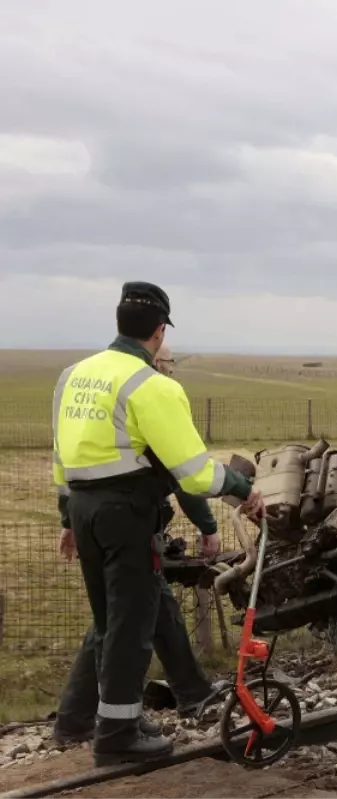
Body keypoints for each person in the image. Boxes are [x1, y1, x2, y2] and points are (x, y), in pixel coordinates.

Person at [51, 281, 264, 766]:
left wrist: (68, 518)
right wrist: (244, 490)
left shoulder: (73, 376)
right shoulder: (152, 385)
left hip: (83, 510)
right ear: (159, 330)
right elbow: (192, 471)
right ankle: (118, 737)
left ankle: (116, 717)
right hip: (126, 513)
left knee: (109, 622)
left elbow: (62, 458)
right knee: (131, 625)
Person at [51, 347, 230, 746]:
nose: (170, 370)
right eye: (168, 363)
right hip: (128, 522)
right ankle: (80, 721)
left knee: (156, 603)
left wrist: (69, 520)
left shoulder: (92, 386)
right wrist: (208, 527)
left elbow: (65, 461)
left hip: (95, 513)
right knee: (117, 622)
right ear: (154, 358)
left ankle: (191, 691)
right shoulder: (149, 394)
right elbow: (185, 475)